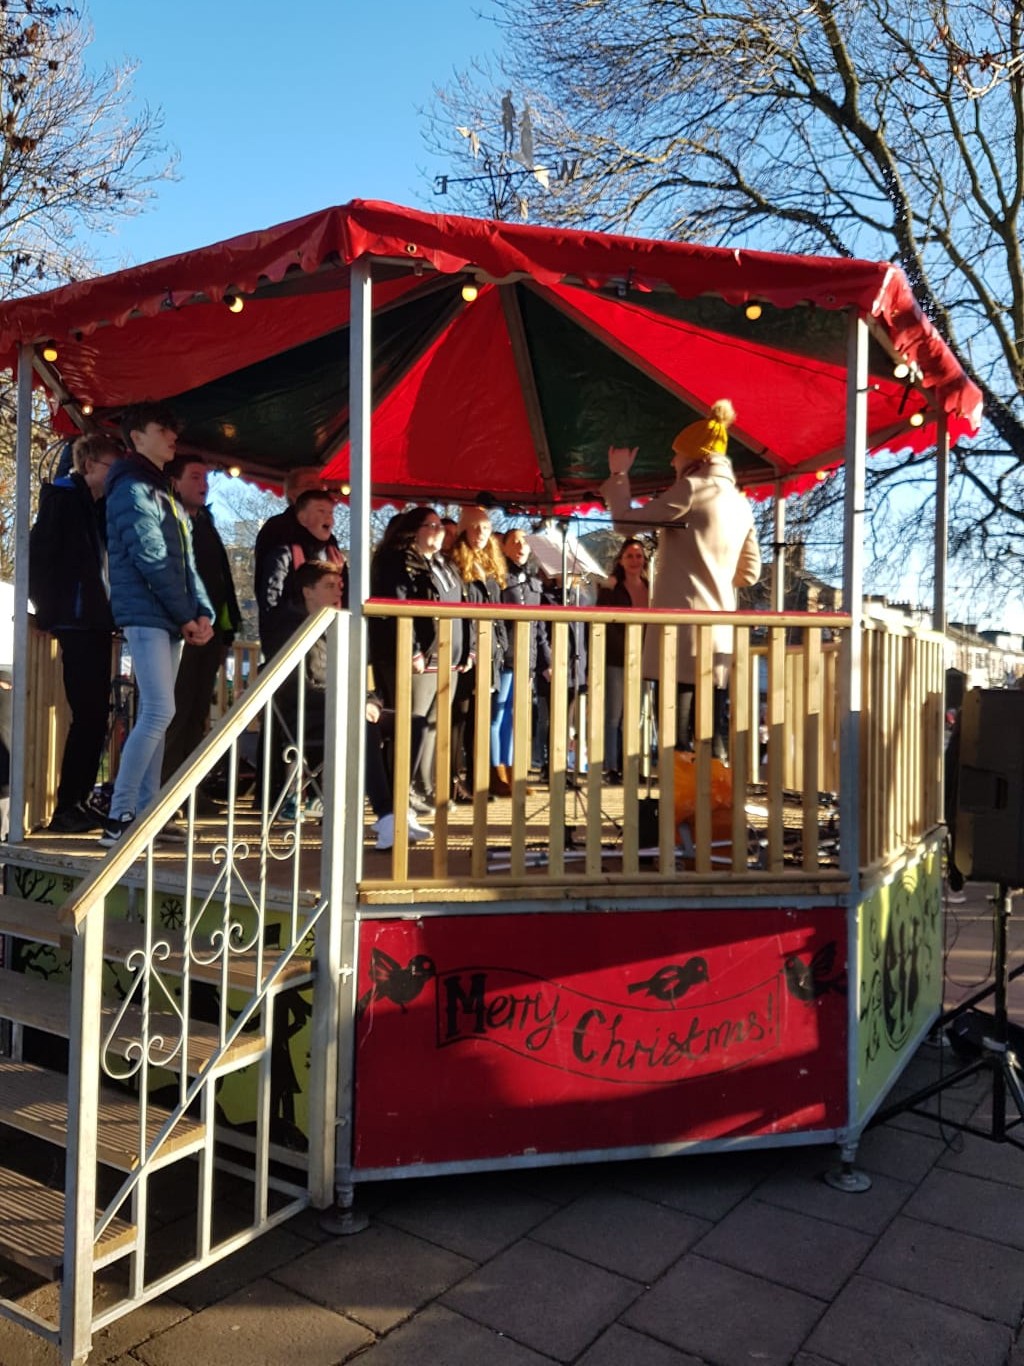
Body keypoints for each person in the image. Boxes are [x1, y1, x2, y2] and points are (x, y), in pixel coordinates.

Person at [603, 398, 762, 760]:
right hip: (718, 631)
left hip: (681, 632)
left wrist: (619, 477)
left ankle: (681, 813)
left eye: (676, 456)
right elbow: (750, 572)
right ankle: (718, 809)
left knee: (676, 736)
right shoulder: (741, 503)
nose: (672, 463)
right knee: (711, 731)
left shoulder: (693, 488)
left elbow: (626, 523)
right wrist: (713, 576)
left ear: (695, 458)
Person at [100, 403, 214, 846]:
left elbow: (186, 562)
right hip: (148, 613)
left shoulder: (158, 490)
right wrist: (189, 613)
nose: (171, 436)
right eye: (162, 429)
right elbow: (152, 557)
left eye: (172, 429)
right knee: (159, 710)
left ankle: (146, 812)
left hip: (165, 615)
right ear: (137, 438)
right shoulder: (132, 488)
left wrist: (199, 610)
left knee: (157, 713)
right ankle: (119, 814)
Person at [281, 560, 428, 849]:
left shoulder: (342, 624)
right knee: (362, 725)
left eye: (339, 586)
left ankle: (399, 808)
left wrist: (369, 701)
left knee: (415, 723)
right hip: (309, 715)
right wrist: (353, 703)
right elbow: (296, 688)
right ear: (307, 591)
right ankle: (386, 816)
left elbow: (360, 679)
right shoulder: (290, 627)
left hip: (347, 707)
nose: (337, 591)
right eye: (329, 586)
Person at [29, 432, 123, 832]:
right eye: (110, 467)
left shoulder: (96, 507)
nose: (115, 475)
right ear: (88, 466)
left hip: (94, 619)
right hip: (76, 618)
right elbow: (39, 555)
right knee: (88, 713)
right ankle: (67, 805)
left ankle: (78, 800)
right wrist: (48, 611)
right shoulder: (64, 499)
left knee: (94, 714)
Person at [368, 506, 469, 811]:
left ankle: (427, 788)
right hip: (416, 655)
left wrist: (469, 648)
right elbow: (399, 607)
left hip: (448, 655)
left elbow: (462, 604)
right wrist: (411, 648)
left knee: (435, 725)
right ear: (414, 530)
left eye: (441, 526)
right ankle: (401, 792)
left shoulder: (442, 563)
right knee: (412, 724)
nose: (440, 531)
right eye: (433, 525)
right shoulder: (397, 561)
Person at [160, 456, 242, 795]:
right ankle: (162, 791)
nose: (204, 484)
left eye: (206, 478)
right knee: (174, 712)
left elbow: (221, 577)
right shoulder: (165, 519)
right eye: (195, 477)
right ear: (175, 482)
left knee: (196, 713)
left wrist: (228, 627)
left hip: (211, 632)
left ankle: (186, 791)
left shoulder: (206, 522)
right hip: (177, 630)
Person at [449, 506, 508, 799]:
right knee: (457, 721)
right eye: (474, 528)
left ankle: (477, 781)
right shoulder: (455, 565)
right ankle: (453, 782)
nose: (480, 534)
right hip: (465, 655)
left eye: (485, 528)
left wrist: (503, 645)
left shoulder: (492, 567)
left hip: (490, 654)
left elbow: (497, 614)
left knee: (480, 722)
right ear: (463, 530)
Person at [256, 489, 347, 660]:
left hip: (331, 639)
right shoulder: (284, 552)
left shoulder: (336, 555)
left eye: (331, 512)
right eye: (321, 511)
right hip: (292, 641)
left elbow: (346, 595)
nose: (329, 517)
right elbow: (271, 600)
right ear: (303, 518)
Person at [492, 527, 549, 795]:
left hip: (527, 659)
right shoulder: (500, 578)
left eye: (525, 542)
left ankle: (515, 774)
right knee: (497, 716)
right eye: (514, 541)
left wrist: (545, 660)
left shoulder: (534, 581)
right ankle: (496, 772)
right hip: (505, 656)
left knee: (515, 717)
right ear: (504, 547)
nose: (521, 546)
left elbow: (539, 628)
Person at [595, 538, 651, 782]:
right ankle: (611, 767)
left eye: (638, 556)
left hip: (644, 658)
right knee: (614, 715)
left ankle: (632, 766)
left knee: (635, 716)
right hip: (617, 659)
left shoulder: (651, 587)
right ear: (620, 560)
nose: (634, 561)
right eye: (629, 556)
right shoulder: (612, 589)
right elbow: (605, 624)